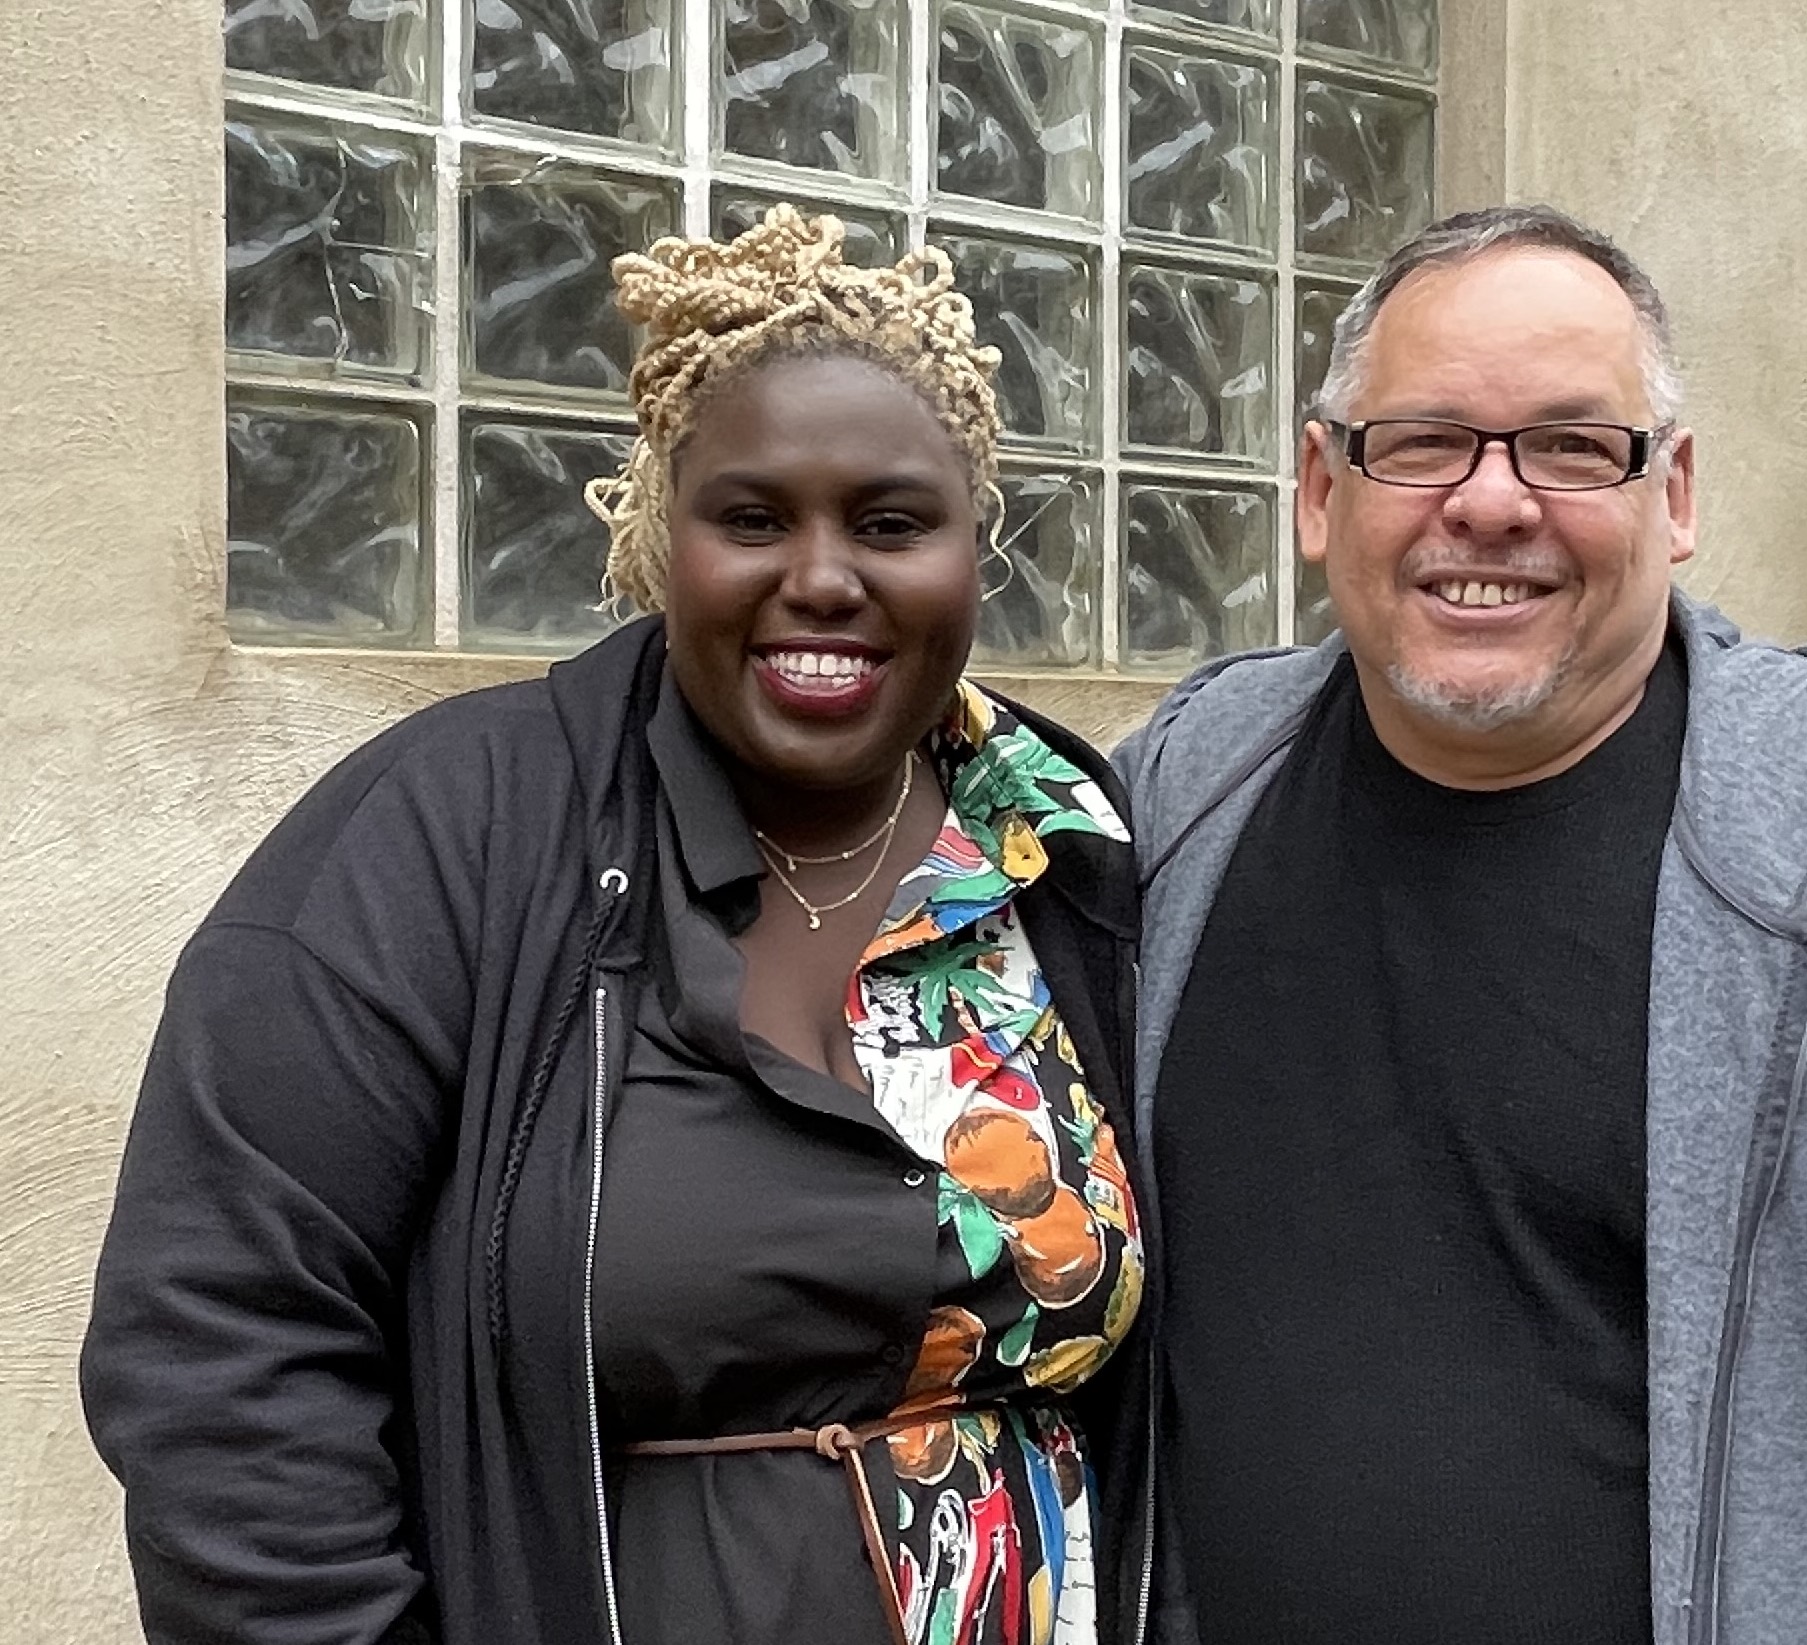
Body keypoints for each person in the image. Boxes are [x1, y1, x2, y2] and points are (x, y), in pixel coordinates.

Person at [1112, 204, 1807, 1644]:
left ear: (1675, 492)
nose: (1491, 504)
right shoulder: (1170, 811)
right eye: (1425, 439)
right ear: (1324, 489)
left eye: (1573, 446)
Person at [81, 205, 1149, 1645]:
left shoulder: (1062, 857)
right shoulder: (451, 834)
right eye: (754, 517)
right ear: (660, 533)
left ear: (975, 548)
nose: (825, 576)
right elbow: (219, 1340)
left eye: (892, 522)